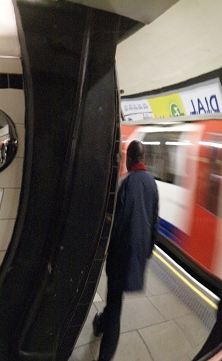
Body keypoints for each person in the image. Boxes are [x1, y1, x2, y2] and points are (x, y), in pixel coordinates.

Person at [93, 140, 159, 361]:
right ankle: (101, 322)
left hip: (121, 256)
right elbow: (154, 222)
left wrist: (106, 249)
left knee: (115, 305)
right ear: (144, 159)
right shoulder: (152, 184)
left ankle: (105, 355)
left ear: (129, 159)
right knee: (114, 300)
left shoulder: (126, 183)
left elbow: (116, 224)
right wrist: (146, 253)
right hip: (136, 255)